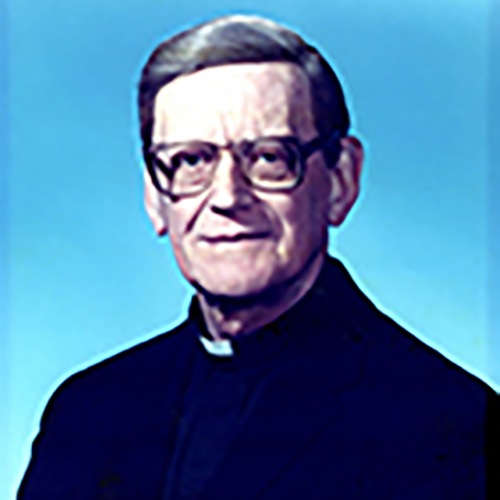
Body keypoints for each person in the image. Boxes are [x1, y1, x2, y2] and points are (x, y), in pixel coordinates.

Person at [18, 15, 499, 500]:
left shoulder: (450, 423)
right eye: (191, 161)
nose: (228, 197)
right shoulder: (84, 413)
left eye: (269, 157)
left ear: (341, 180)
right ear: (156, 198)